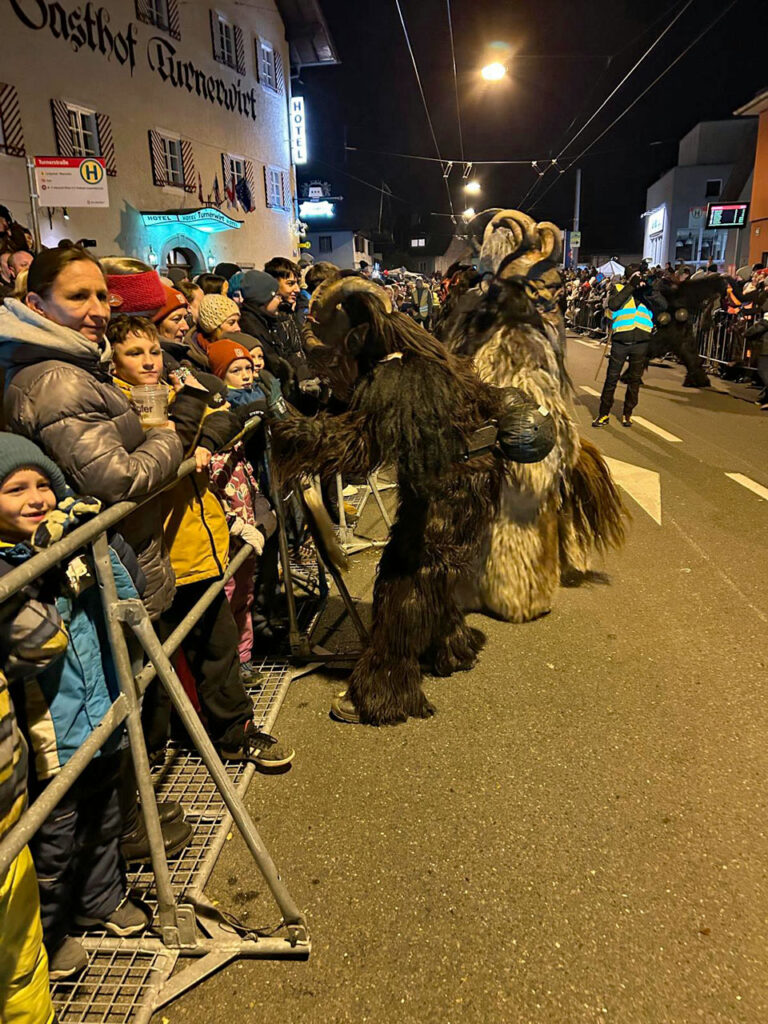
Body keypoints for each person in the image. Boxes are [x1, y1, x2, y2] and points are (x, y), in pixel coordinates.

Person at [107, 316, 293, 767]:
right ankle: (150, 761)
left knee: (217, 646)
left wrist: (203, 437)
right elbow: (154, 461)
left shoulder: (172, 392)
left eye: (153, 351)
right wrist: (187, 429)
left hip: (200, 545)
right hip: (158, 554)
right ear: (112, 359)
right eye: (135, 353)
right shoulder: (117, 406)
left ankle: (236, 731)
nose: (150, 361)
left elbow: (223, 412)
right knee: (154, 664)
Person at [0, 434, 150, 979]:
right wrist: (44, 566)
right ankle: (50, 930)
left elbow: (133, 594)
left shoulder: (68, 545)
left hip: (103, 713)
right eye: (16, 488)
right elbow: (36, 641)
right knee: (53, 841)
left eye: (44, 485)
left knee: (104, 818)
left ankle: (101, 901)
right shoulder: (8, 571)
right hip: (49, 736)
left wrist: (97, 542)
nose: (36, 497)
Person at [0, 248, 184, 618]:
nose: (99, 311)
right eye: (78, 297)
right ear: (36, 304)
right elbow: (115, 479)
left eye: (102, 296)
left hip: (121, 552)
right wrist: (166, 436)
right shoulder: (59, 380)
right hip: (106, 564)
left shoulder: (75, 362)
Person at [593, 266, 654, 427]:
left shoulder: (647, 291)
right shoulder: (618, 288)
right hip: (621, 341)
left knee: (634, 380)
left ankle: (628, 413)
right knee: (611, 379)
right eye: (635, 276)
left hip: (641, 342)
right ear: (628, 277)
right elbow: (613, 304)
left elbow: (661, 305)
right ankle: (603, 414)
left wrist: (649, 289)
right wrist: (631, 286)